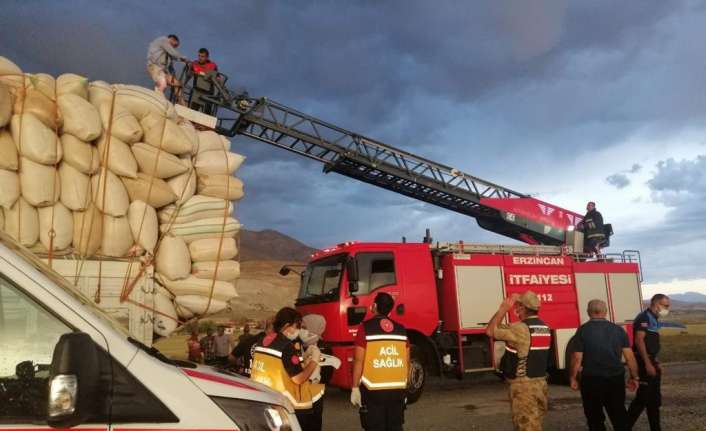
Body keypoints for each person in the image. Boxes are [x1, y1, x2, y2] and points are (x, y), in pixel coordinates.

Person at [569, 299, 639, 431]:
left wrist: (573, 377)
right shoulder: (618, 330)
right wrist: (634, 377)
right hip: (615, 379)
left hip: (591, 380)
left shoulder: (582, 331)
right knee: (619, 414)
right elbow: (630, 357)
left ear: (588, 312)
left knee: (594, 418)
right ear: (606, 312)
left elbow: (577, 358)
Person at [486, 291, 551, 431]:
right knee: (535, 425)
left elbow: (490, 330)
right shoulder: (544, 327)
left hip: (524, 387)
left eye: (518, 305)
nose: (515, 307)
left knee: (526, 426)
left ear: (522, 308)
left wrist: (503, 309)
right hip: (540, 383)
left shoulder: (520, 328)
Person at [250, 308, 322, 430]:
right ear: (287, 325)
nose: (298, 329)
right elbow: (298, 379)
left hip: (266, 399)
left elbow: (280, 365)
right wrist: (315, 360)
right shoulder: (286, 345)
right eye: (297, 325)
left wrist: (303, 358)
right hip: (287, 406)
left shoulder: (262, 341)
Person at [351, 292, 409, 431]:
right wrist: (405, 387)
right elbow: (406, 361)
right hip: (397, 390)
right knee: (395, 427)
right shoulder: (401, 330)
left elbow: (359, 360)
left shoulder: (365, 328)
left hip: (373, 391)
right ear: (390, 309)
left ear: (374, 306)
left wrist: (354, 387)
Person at [628, 294, 671, 431]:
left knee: (654, 401)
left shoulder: (654, 318)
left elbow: (651, 344)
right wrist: (647, 363)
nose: (667, 308)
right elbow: (639, 341)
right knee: (642, 399)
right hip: (643, 361)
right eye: (665, 305)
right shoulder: (644, 318)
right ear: (656, 304)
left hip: (651, 360)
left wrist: (656, 362)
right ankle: (623, 426)